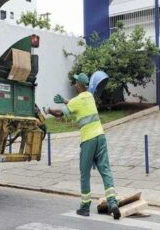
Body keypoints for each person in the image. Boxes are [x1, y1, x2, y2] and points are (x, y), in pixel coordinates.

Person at [45, 73, 121, 219]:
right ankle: (112, 203)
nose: (74, 84)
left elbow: (60, 113)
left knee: (85, 174)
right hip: (101, 136)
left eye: (75, 82)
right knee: (105, 170)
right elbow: (78, 104)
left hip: (88, 140)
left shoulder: (76, 101)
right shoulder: (90, 97)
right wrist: (66, 101)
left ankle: (85, 207)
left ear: (80, 84)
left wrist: (49, 110)